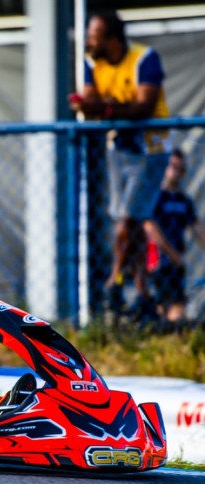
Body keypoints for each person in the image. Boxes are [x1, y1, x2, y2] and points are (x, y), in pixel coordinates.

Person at [70, 11, 171, 321]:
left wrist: (104, 107)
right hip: (119, 148)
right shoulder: (92, 63)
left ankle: (113, 281)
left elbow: (144, 107)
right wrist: (98, 107)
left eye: (93, 35)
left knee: (126, 218)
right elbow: (88, 105)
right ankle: (143, 293)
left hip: (149, 149)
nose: (88, 41)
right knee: (134, 221)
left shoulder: (144, 58)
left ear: (112, 39)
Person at [147, 150, 205, 330]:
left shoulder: (184, 201)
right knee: (164, 307)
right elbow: (150, 228)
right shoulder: (156, 197)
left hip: (176, 264)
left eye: (180, 169)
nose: (176, 172)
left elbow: (197, 229)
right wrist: (171, 253)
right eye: (173, 167)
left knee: (176, 308)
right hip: (158, 261)